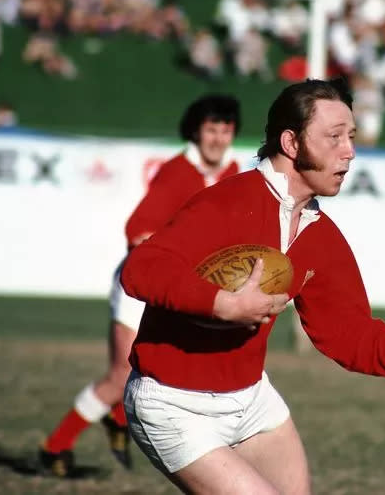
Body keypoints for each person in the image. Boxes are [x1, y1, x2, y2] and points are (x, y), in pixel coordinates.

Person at [120, 79, 385, 494]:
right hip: (174, 404)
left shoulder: (319, 234)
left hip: (251, 401)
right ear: (291, 142)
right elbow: (141, 268)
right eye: (334, 137)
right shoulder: (228, 202)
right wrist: (221, 304)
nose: (349, 151)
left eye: (352, 137)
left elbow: (347, 331)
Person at [38, 94, 242, 477]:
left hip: (176, 292)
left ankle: (118, 418)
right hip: (141, 285)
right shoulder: (178, 172)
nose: (217, 137)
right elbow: (137, 228)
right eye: (211, 129)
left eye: (225, 129)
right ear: (196, 131)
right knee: (120, 376)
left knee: (156, 371)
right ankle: (55, 447)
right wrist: (156, 257)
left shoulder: (231, 173)